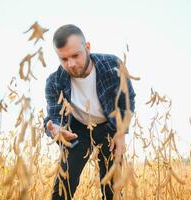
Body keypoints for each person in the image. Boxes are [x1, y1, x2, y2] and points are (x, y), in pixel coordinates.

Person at [44, 24, 136, 200]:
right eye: (63, 59)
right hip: (77, 131)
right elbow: (56, 116)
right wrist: (56, 129)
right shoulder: (54, 82)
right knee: (63, 187)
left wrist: (121, 132)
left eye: (75, 55)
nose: (70, 64)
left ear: (87, 47)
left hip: (110, 127)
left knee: (112, 189)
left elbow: (127, 100)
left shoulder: (112, 66)